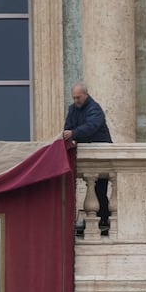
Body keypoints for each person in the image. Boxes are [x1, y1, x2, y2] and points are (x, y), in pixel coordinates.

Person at [60, 82, 112, 232]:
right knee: (91, 190)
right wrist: (68, 133)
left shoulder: (95, 108)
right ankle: (93, 220)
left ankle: (103, 220)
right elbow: (68, 126)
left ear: (85, 95)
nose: (76, 101)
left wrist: (73, 133)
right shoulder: (72, 109)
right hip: (85, 152)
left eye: (78, 97)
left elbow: (92, 126)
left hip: (100, 154)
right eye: (74, 98)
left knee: (100, 190)